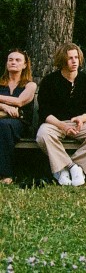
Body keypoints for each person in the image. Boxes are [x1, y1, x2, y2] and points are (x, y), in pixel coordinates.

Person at [36, 43, 86, 186]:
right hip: (55, 123)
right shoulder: (49, 81)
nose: (74, 61)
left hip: (80, 124)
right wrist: (62, 125)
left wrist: (81, 119)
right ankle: (68, 168)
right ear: (62, 60)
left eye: (76, 57)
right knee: (42, 136)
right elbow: (44, 112)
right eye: (70, 58)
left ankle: (74, 167)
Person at [1, 48, 38, 185]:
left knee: (4, 127)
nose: (13, 62)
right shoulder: (1, 83)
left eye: (17, 60)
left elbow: (20, 101)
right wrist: (4, 107)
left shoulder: (30, 85)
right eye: (10, 60)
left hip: (21, 124)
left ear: (24, 65)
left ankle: (6, 175)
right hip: (2, 121)